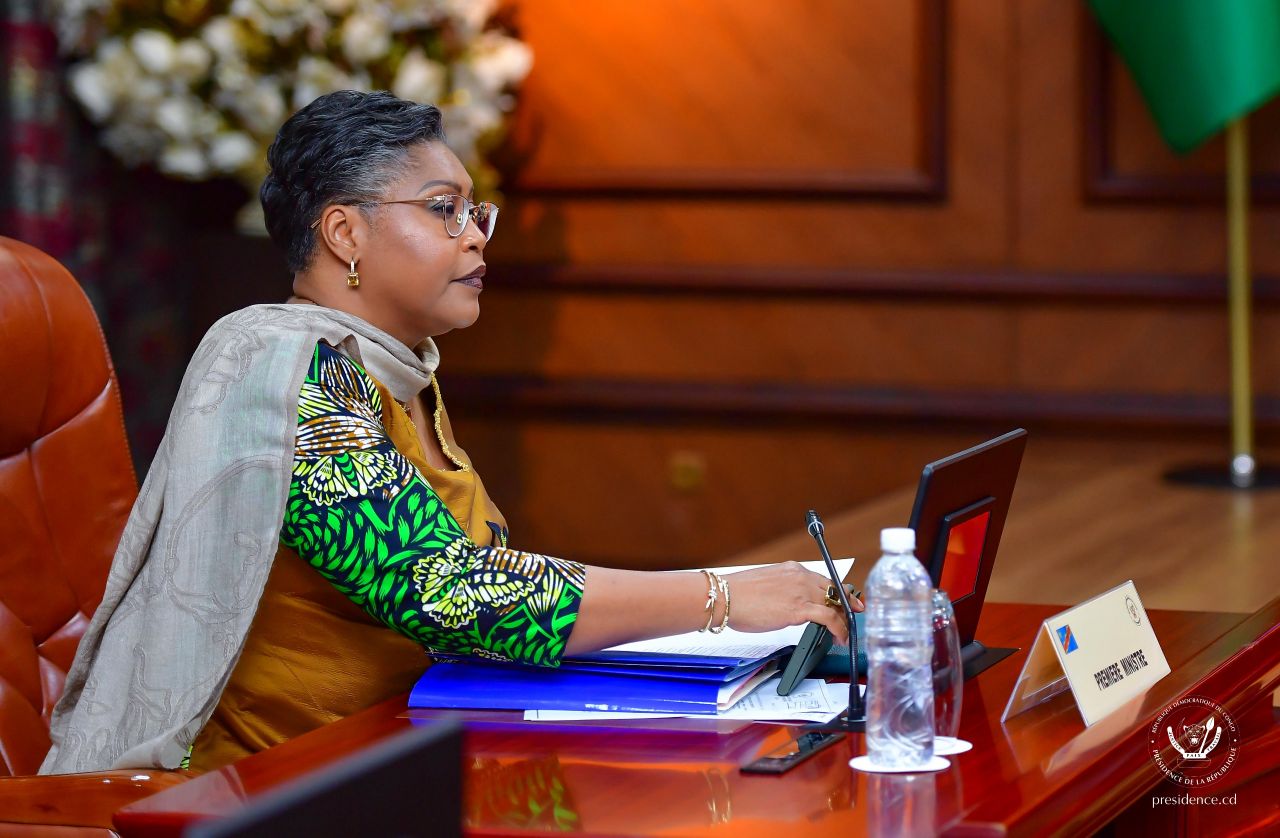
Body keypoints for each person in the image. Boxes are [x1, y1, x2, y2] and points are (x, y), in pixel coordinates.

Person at [40, 91, 860, 774]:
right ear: (344, 233)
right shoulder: (287, 369)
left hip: (403, 748)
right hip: (272, 786)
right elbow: (448, 592)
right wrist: (721, 598)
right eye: (444, 210)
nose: (474, 235)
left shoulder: (394, 370)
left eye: (475, 212)